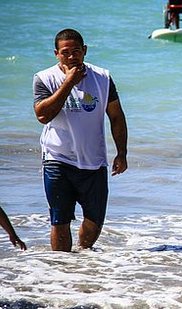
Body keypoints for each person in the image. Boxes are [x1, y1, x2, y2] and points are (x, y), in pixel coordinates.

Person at [33, 29, 128, 252]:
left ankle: (83, 261)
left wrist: (122, 152)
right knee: (60, 220)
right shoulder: (44, 78)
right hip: (57, 158)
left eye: (76, 51)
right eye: (65, 52)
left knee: (95, 220)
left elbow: (116, 116)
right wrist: (68, 83)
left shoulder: (102, 78)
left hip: (93, 160)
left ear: (84, 50)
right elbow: (42, 115)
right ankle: (62, 270)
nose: (71, 56)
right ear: (56, 54)